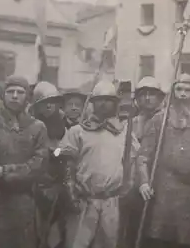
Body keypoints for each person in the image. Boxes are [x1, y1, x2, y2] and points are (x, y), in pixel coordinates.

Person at [58, 80, 140, 248]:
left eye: (109, 99)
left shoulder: (124, 131)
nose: (104, 103)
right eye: (100, 99)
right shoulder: (77, 131)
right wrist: (71, 192)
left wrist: (128, 189)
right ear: (92, 103)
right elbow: (67, 164)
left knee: (110, 244)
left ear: (115, 103)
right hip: (84, 200)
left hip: (113, 201)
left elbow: (134, 163)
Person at [136, 74, 190, 248]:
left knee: (188, 240)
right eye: (179, 89)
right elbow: (143, 156)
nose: (183, 94)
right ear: (172, 92)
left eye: (187, 90)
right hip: (163, 191)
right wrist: (144, 182)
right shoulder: (159, 120)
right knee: (161, 239)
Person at [0, 75, 49, 248]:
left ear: (27, 97)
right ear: (3, 95)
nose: (15, 96)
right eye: (10, 92)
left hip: (23, 202)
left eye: (20, 92)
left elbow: (40, 164)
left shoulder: (37, 127)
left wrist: (6, 170)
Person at [122, 76, 165, 247]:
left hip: (159, 187)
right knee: (132, 233)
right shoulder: (128, 124)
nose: (147, 98)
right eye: (143, 94)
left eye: (152, 94)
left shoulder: (167, 121)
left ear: (160, 98)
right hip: (132, 188)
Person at [31, 81, 67, 248]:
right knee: (36, 229)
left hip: (57, 181)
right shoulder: (30, 123)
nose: (48, 106)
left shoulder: (64, 124)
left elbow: (66, 148)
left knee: (56, 231)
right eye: (44, 103)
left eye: (51, 102)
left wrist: (57, 152)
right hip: (35, 183)